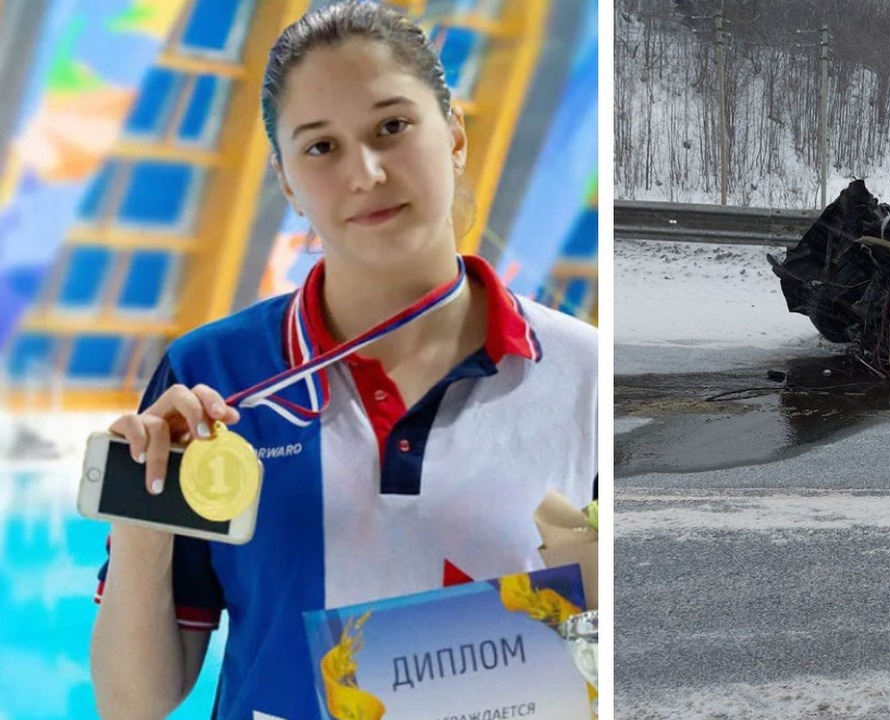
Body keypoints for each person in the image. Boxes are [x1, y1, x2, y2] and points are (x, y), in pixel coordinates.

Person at [88, 3, 597, 718]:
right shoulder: (212, 375)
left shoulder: (585, 376)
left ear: (453, 134)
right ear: (287, 181)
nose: (365, 173)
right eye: (320, 147)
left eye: (392, 127)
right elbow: (131, 705)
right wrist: (142, 523)